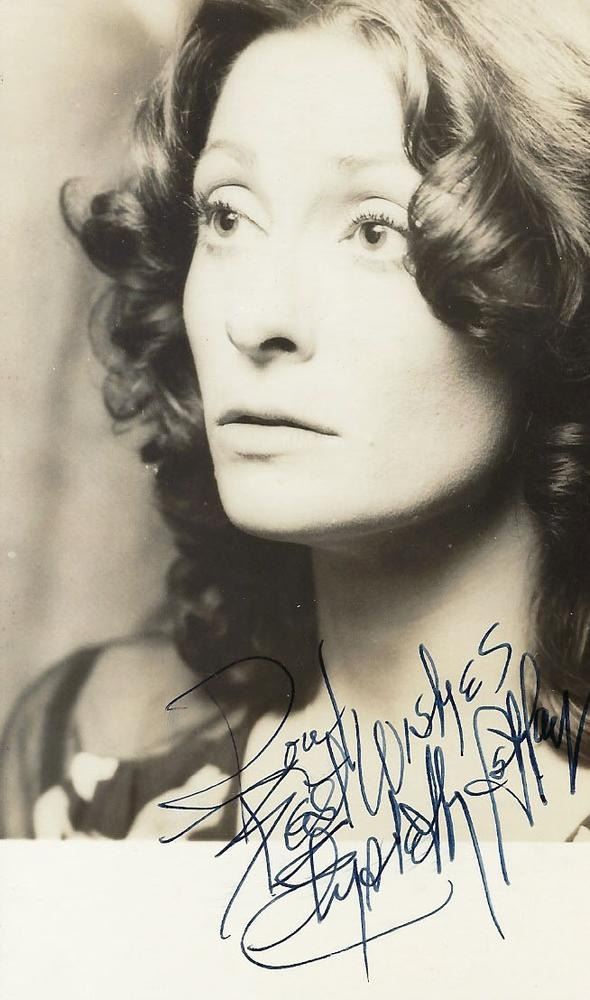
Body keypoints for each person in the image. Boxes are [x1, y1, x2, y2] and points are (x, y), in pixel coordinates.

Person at [2, 0, 590, 845]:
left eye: (375, 230)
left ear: (560, 287)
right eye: (228, 216)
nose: (256, 318)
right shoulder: (90, 750)